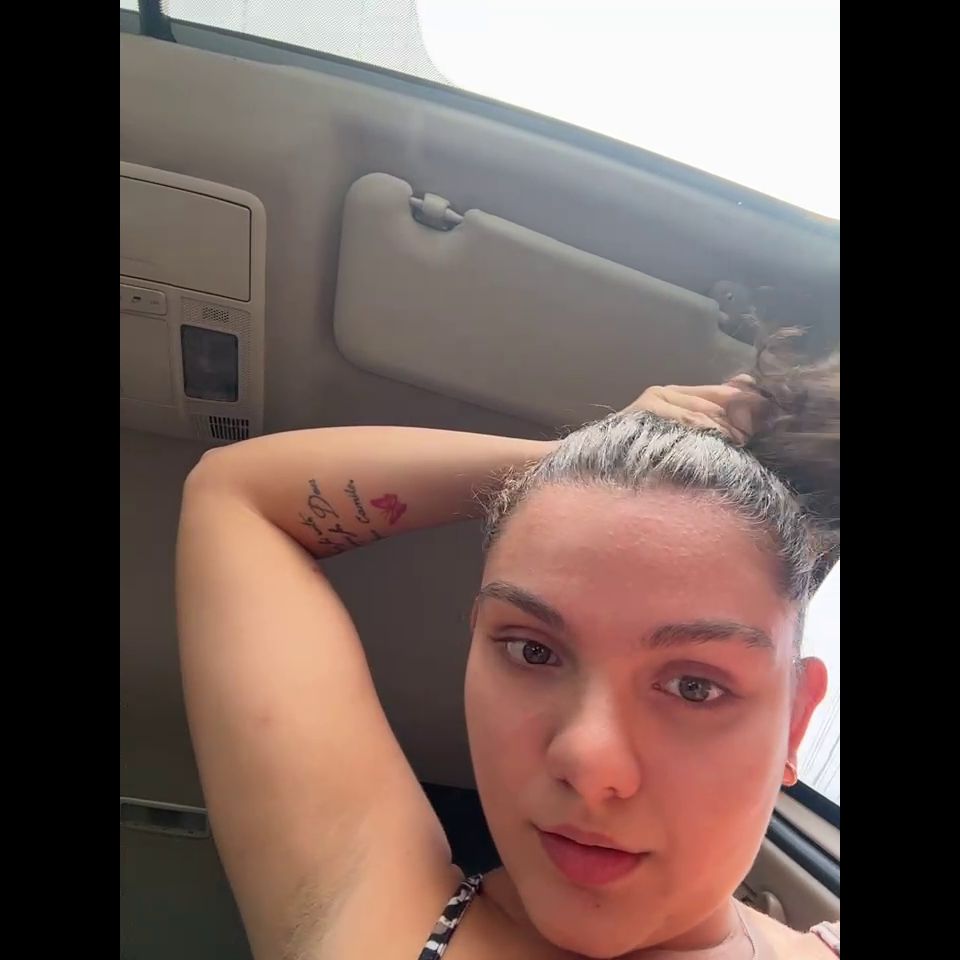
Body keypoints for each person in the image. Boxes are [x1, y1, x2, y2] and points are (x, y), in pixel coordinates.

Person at [176, 347, 840, 960]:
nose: (588, 763)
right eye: (533, 651)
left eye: (696, 686)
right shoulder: (366, 907)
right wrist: (563, 467)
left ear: (796, 721)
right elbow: (237, 493)